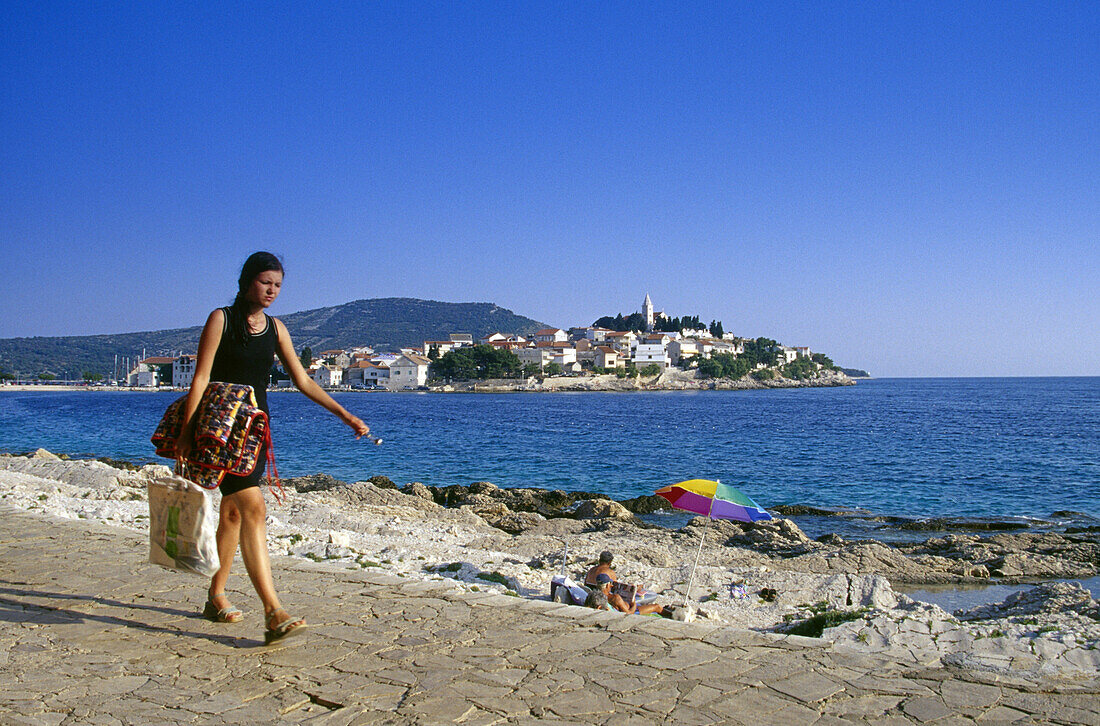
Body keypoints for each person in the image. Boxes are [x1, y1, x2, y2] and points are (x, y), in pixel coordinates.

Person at [176, 251, 369, 644]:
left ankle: (215, 596)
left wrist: (345, 416)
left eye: (278, 285)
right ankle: (273, 611)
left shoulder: (277, 329)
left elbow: (303, 381)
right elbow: (200, 378)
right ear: (247, 281)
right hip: (218, 432)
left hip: (253, 432)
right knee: (253, 507)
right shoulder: (221, 319)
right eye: (266, 283)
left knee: (232, 514)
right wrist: (185, 432)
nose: (272, 291)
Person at [584, 551, 665, 616]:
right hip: (626, 611)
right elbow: (628, 613)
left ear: (599, 560)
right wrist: (633, 604)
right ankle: (673, 616)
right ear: (609, 562)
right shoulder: (614, 595)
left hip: (612, 603)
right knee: (656, 606)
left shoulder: (591, 571)